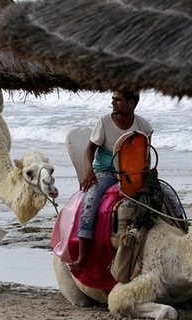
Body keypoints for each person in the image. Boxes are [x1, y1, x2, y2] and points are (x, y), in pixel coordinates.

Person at [70, 91, 153, 271]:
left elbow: (145, 156)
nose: (113, 102)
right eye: (112, 99)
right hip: (105, 171)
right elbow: (89, 150)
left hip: (132, 172)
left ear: (131, 103)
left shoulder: (144, 126)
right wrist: (89, 171)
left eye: (117, 100)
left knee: (164, 196)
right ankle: (83, 256)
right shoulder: (104, 122)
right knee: (90, 202)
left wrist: (147, 177)